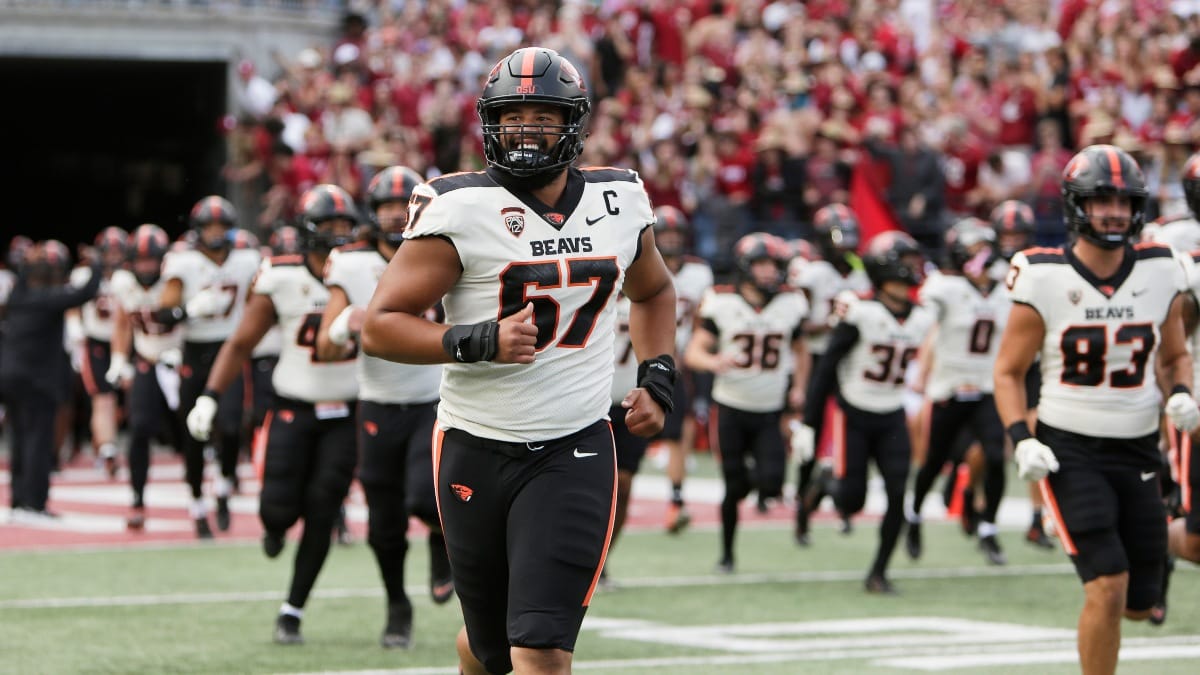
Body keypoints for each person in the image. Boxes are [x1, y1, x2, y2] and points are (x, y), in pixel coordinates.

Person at [361, 47, 677, 675]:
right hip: (475, 443)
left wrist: (658, 375)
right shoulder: (459, 206)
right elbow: (380, 326)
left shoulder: (618, 200)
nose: (525, 130)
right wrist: (477, 340)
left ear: (573, 124)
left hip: (574, 445)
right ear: (490, 122)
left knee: (540, 650)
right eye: (512, 116)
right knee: (490, 648)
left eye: (543, 116)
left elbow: (654, 291)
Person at [993, 144, 1195, 675]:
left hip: (1138, 446)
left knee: (1138, 603)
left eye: (1124, 202)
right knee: (1106, 585)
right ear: (1076, 204)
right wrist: (1022, 439)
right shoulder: (1043, 275)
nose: (1114, 213)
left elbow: (1174, 354)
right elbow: (1008, 371)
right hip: (1070, 449)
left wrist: (1180, 392)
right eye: (1102, 200)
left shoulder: (1161, 268)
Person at [186, 184, 361, 645]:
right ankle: (276, 527)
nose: (338, 233)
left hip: (346, 412)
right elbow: (241, 342)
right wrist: (210, 395)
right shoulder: (281, 276)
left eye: (344, 224)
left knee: (323, 506)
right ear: (307, 229)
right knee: (277, 509)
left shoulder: (369, 270)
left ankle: (292, 610)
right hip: (292, 408)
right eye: (329, 225)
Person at [314, 165, 454, 649]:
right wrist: (343, 326)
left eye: (403, 204)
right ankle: (397, 604)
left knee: (425, 497)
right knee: (383, 525)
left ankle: (440, 540)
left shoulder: (446, 248)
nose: (396, 214)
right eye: (387, 206)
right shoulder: (350, 264)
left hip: (433, 399)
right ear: (372, 214)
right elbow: (326, 346)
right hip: (377, 403)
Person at [796, 231, 935, 594]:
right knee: (852, 500)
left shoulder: (922, 316)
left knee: (897, 494)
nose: (913, 267)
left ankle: (878, 573)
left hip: (891, 413)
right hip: (854, 414)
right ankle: (826, 482)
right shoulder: (860, 311)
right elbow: (826, 369)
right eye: (906, 261)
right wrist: (810, 423)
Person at [683, 232, 809, 573]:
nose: (770, 271)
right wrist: (714, 361)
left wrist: (799, 386)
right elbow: (694, 352)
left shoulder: (791, 302)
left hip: (769, 409)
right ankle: (727, 554)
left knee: (773, 482)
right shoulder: (722, 301)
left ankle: (736, 533)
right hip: (730, 407)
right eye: (762, 264)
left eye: (774, 265)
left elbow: (801, 349)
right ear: (745, 266)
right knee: (733, 485)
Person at [906, 218, 1011, 565]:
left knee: (995, 456)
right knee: (934, 461)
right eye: (974, 248)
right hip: (949, 388)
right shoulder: (945, 287)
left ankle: (988, 528)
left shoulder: (1006, 288)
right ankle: (914, 515)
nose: (981, 255)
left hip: (986, 387)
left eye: (985, 248)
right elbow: (925, 321)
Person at [156, 196, 262, 537]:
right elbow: (163, 314)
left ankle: (225, 485)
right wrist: (189, 310)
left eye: (221, 226)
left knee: (231, 427)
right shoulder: (183, 262)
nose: (216, 232)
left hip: (230, 350)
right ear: (198, 230)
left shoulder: (247, 260)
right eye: (209, 226)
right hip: (195, 353)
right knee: (194, 435)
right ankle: (197, 504)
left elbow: (260, 301)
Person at [1, 241, 101, 519]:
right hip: (37, 381)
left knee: (18, 439)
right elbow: (86, 292)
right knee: (38, 441)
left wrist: (29, 262)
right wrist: (96, 265)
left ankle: (18, 500)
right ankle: (34, 502)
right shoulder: (51, 299)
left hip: (9, 378)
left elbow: (25, 276)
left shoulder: (18, 296)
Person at [789, 205, 870, 544]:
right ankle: (802, 507)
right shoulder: (813, 273)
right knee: (812, 429)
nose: (845, 243)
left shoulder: (860, 271)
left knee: (853, 432)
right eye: (839, 235)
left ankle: (842, 504)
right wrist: (830, 324)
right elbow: (798, 324)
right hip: (819, 357)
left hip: (851, 361)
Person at [105, 224, 185, 529]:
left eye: (151, 260)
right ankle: (137, 498)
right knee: (139, 429)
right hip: (147, 361)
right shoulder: (124, 283)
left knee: (189, 435)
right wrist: (118, 359)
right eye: (140, 261)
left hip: (179, 362)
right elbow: (123, 323)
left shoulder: (178, 276)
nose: (146, 267)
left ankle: (208, 492)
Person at [990, 199, 1055, 549]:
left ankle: (1035, 516)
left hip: (1030, 361)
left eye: (1017, 234)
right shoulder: (981, 266)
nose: (1012, 240)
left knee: (1034, 435)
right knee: (984, 448)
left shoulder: (1038, 265)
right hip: (990, 364)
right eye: (1006, 234)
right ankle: (971, 498)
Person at [651, 205, 714, 533]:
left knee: (680, 427)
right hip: (637, 357)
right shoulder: (639, 264)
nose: (672, 240)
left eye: (677, 234)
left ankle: (676, 499)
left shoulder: (699, 272)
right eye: (666, 234)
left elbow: (703, 319)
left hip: (677, 361)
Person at [67, 227, 127, 477]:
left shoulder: (129, 276)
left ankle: (106, 440)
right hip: (97, 343)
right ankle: (107, 448)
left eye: (117, 252)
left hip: (127, 343)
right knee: (103, 398)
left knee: (131, 396)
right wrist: (75, 330)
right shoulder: (84, 274)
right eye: (109, 252)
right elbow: (72, 305)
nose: (113, 257)